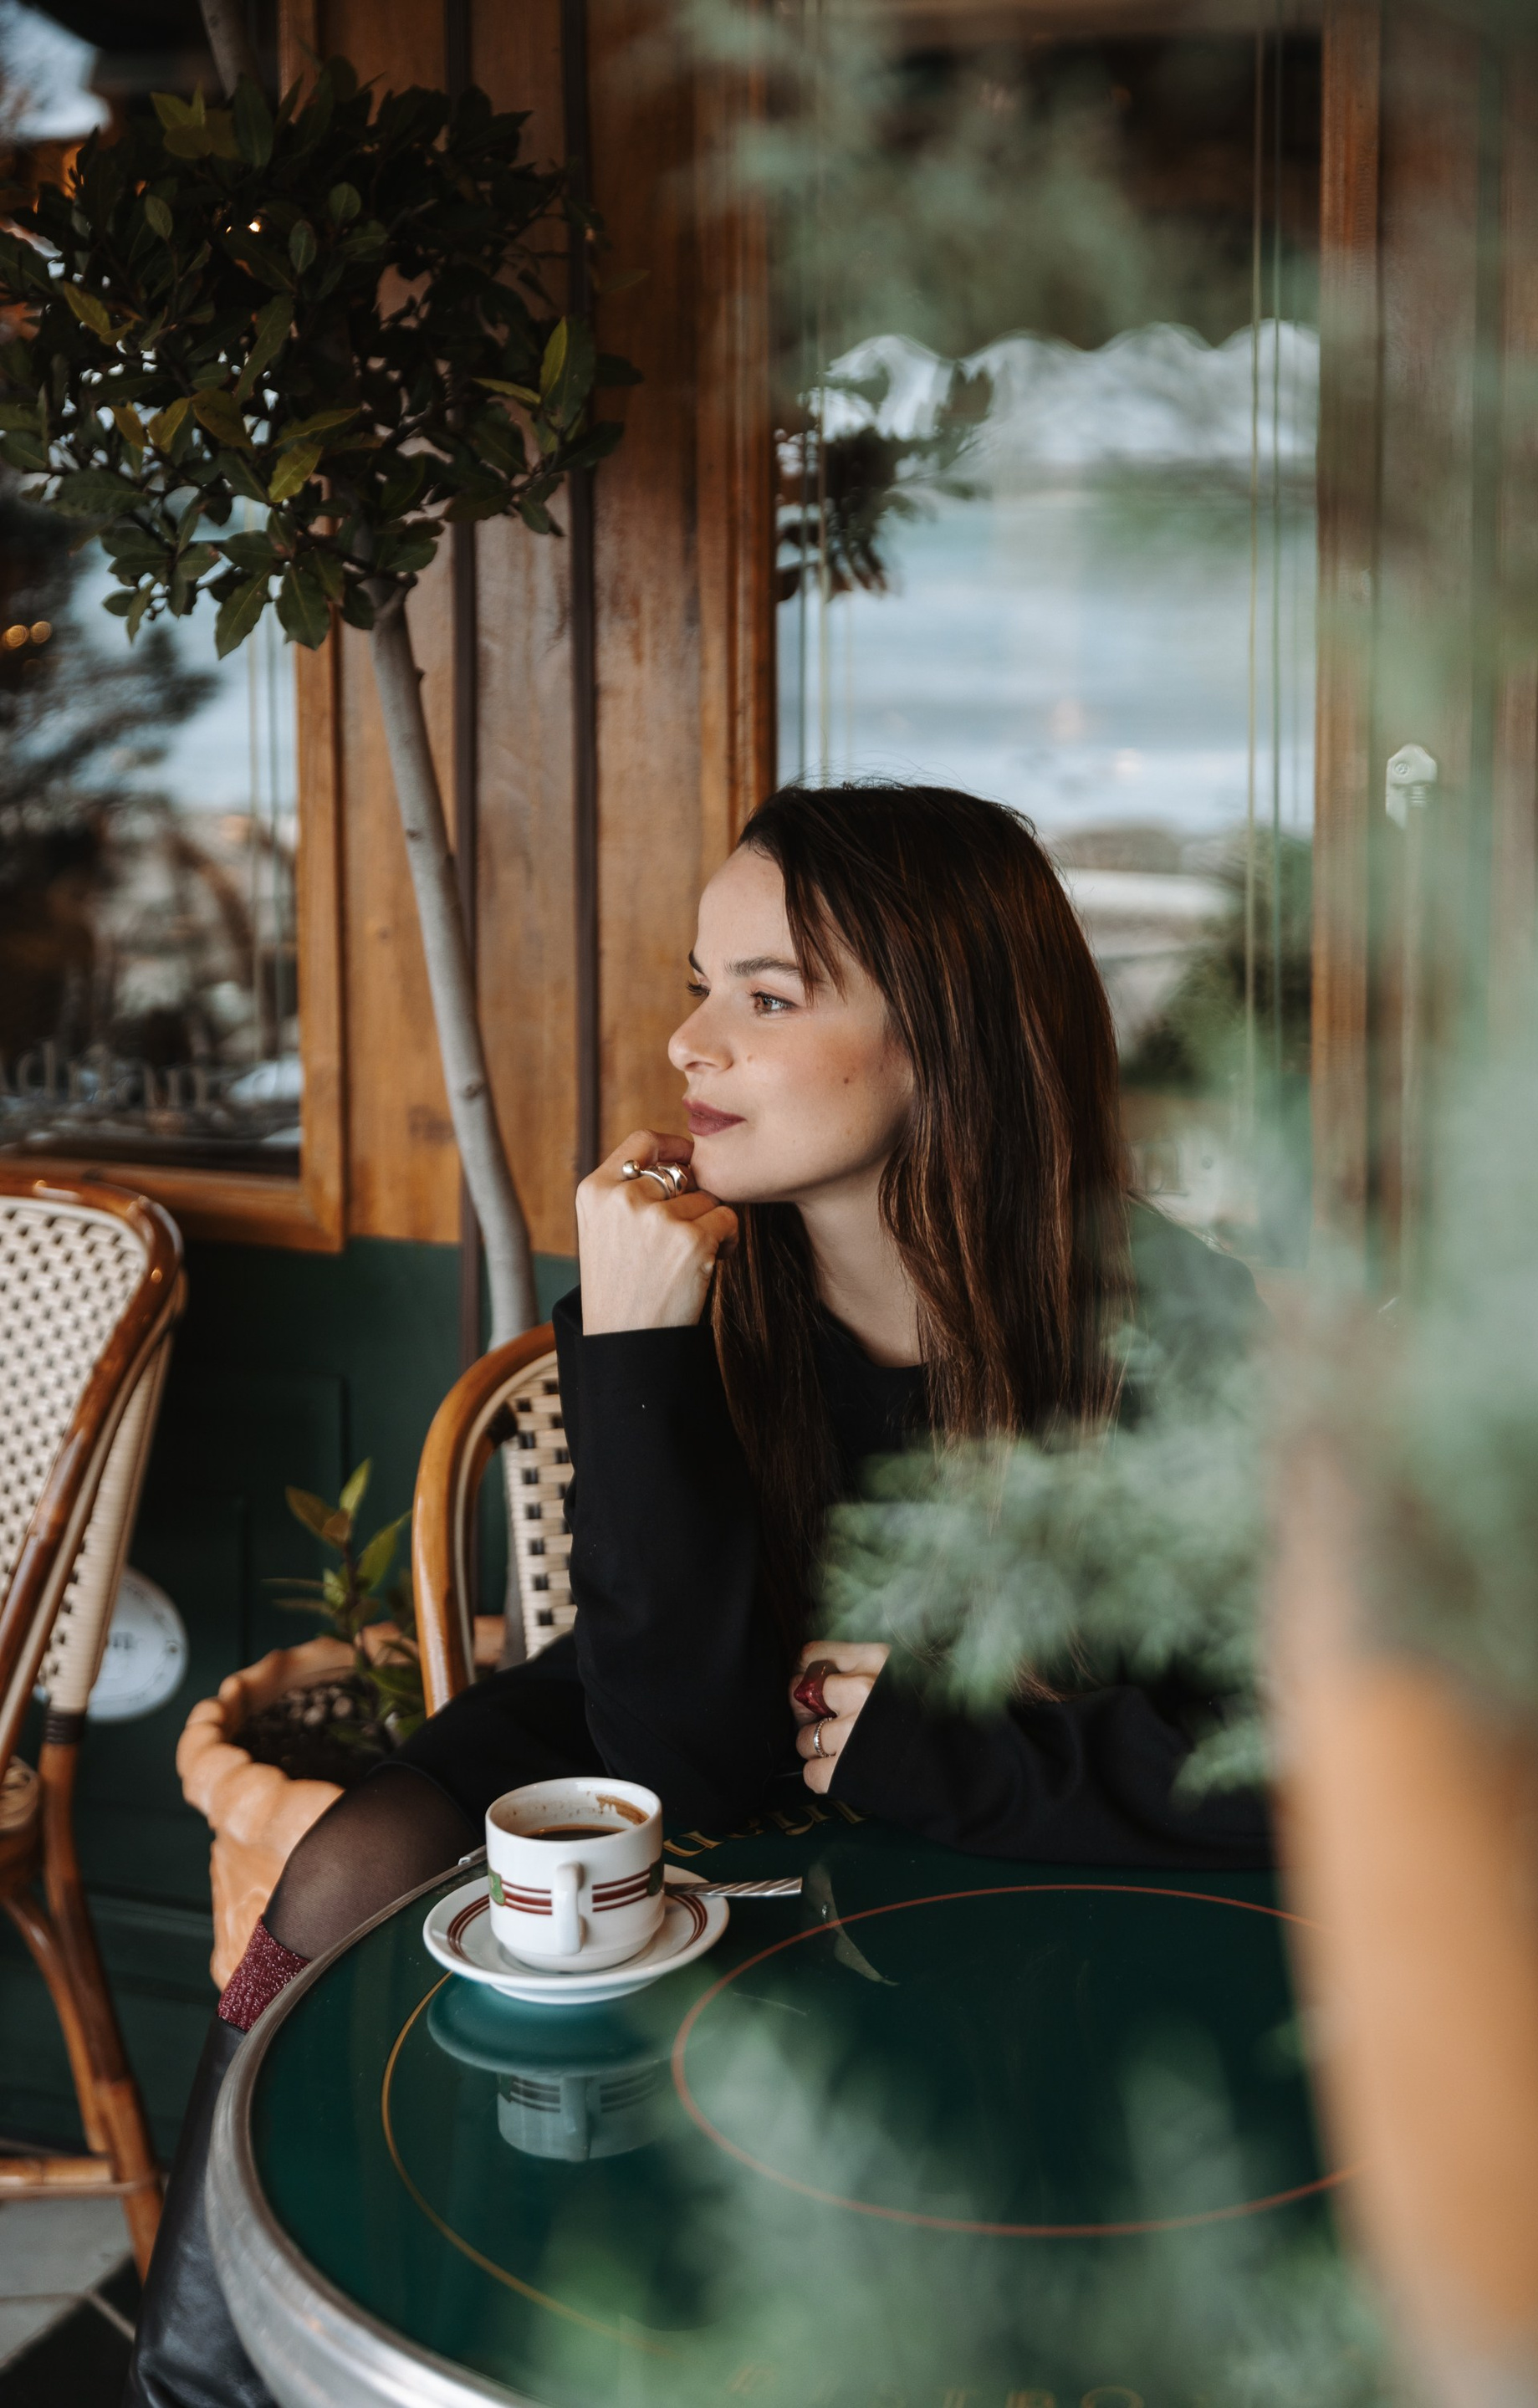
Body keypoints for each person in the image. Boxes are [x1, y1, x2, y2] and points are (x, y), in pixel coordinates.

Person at [124, 782, 1269, 2408]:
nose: (688, 1041)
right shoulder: (688, 1292)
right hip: (685, 1709)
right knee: (357, 1854)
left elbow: (1300, 1759)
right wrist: (638, 1341)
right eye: (698, 983)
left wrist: (947, 1757)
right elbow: (680, 1759)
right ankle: (197, 2391)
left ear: (948, 1038)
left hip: (994, 1818)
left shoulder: (1180, 1342)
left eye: (768, 997)